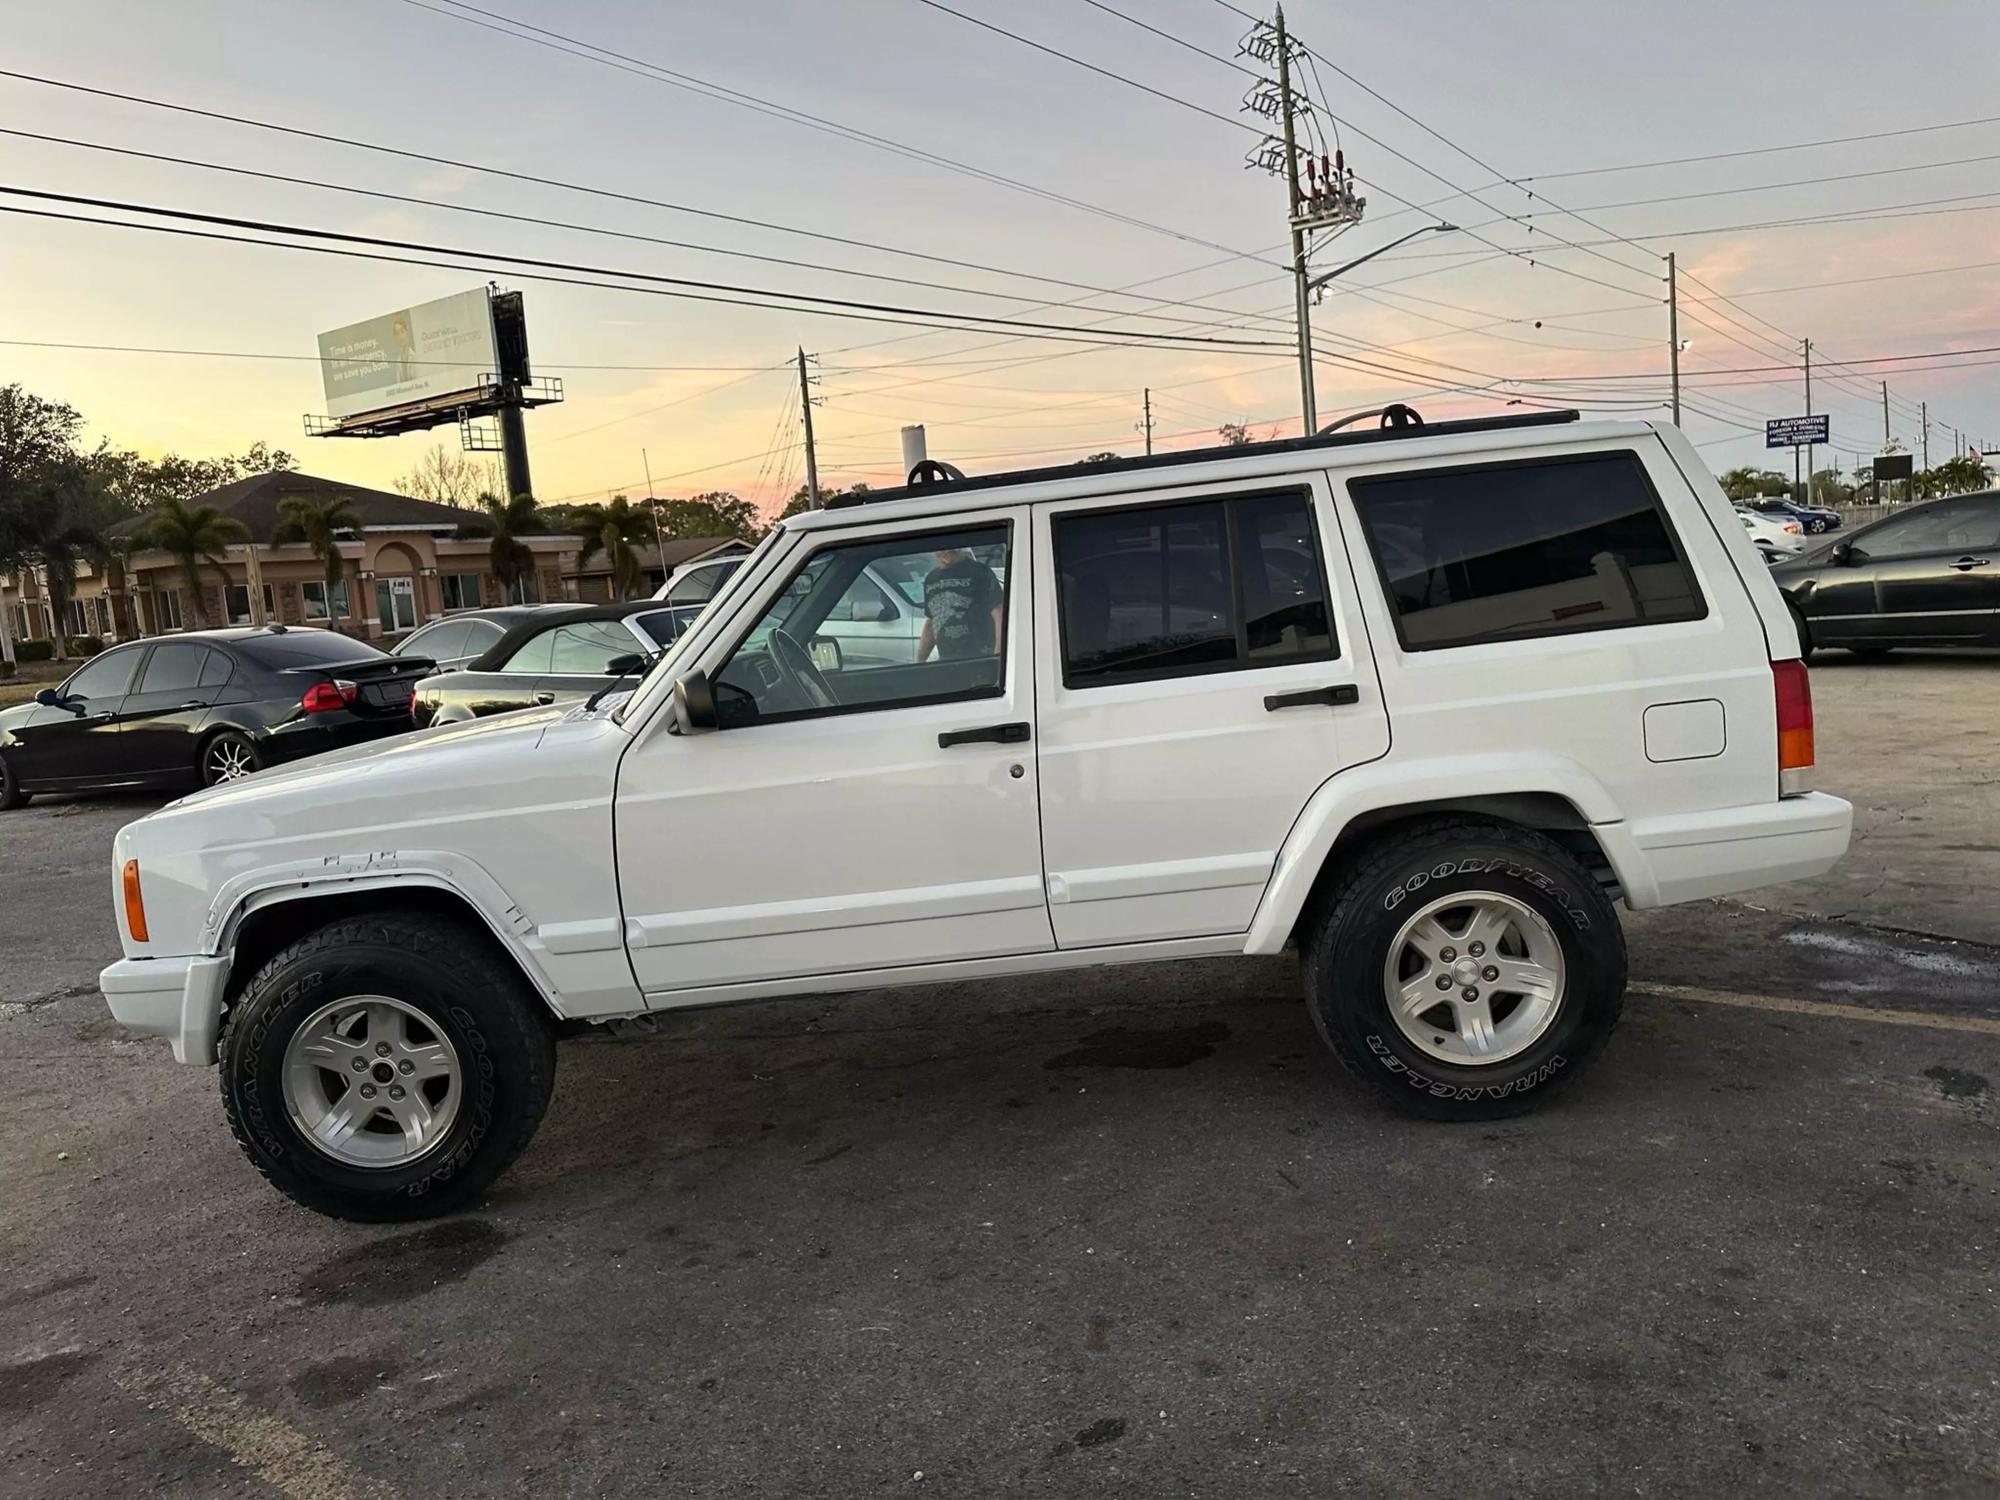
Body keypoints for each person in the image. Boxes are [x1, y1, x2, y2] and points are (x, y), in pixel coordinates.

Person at [916, 546, 1003, 663]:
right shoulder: (932, 578)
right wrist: (920, 662)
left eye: (946, 548)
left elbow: (998, 613)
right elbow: (931, 622)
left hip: (979, 657)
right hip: (947, 661)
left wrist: (998, 655)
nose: (943, 552)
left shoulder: (980, 572)